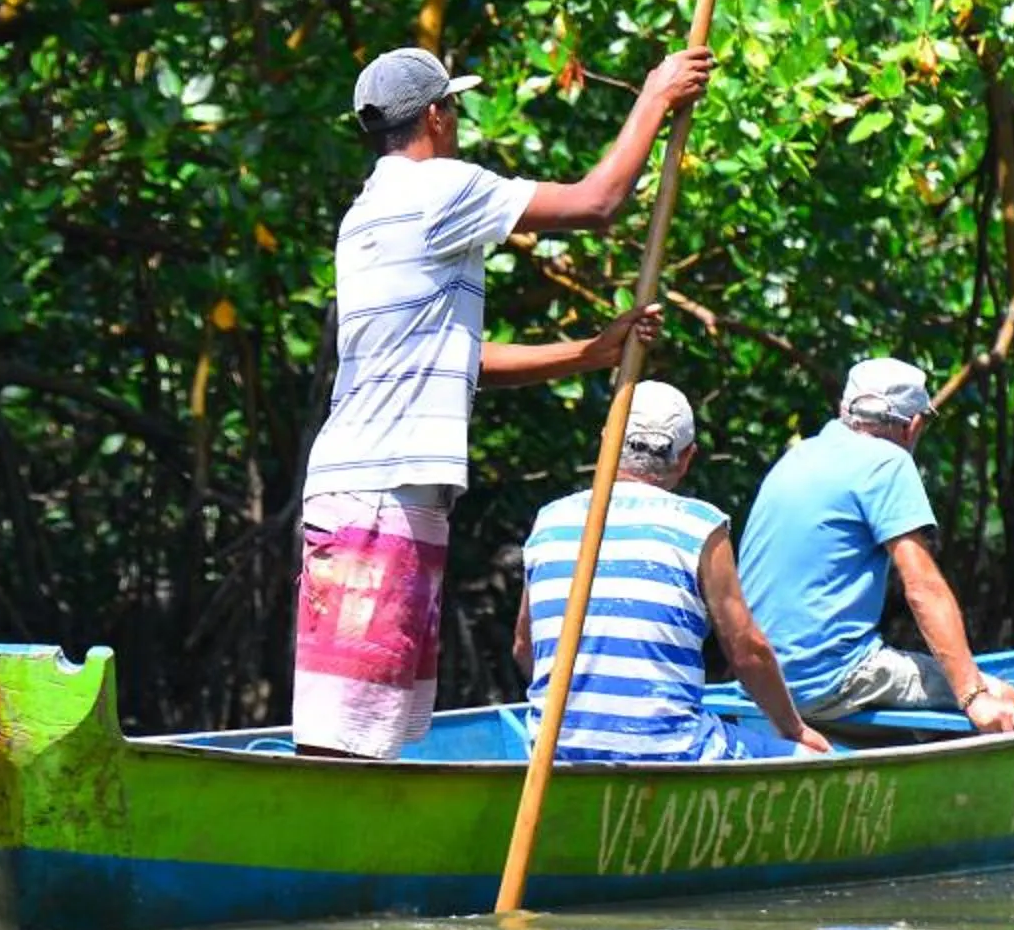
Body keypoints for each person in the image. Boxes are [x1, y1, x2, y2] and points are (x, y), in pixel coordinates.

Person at [294, 42, 713, 758]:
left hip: (374, 487)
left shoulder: (369, 209)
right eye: (454, 106)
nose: (457, 120)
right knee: (348, 735)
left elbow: (462, 361)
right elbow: (597, 202)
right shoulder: (436, 189)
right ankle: (334, 854)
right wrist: (656, 95)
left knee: (370, 724)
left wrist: (588, 353)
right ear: (436, 115)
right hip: (379, 491)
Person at [512, 381, 831, 762]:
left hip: (552, 751)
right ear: (686, 457)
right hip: (671, 749)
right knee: (812, 757)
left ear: (606, 440)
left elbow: (524, 648)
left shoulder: (550, 519)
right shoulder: (701, 525)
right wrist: (793, 728)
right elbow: (747, 650)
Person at [734, 358, 1014, 733]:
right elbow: (923, 588)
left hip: (759, 682)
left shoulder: (798, 455)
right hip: (827, 682)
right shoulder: (887, 461)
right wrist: (975, 696)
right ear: (913, 426)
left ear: (845, 411)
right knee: (1008, 699)